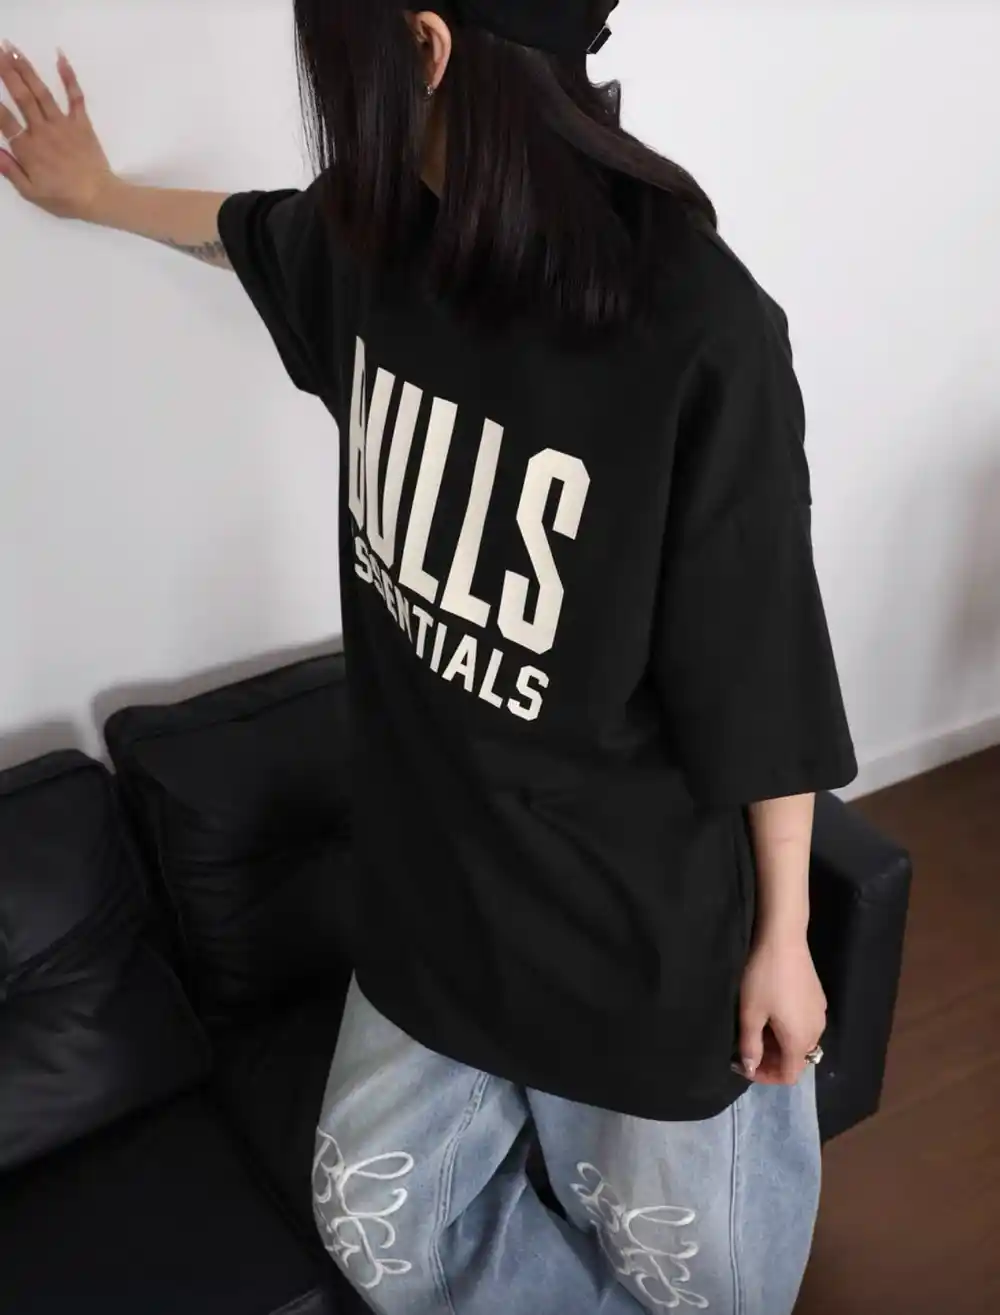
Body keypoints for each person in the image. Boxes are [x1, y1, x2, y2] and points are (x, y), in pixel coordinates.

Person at [0, 4, 859, 1311]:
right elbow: (247, 231)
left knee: (705, 1284)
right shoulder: (376, 246)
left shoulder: (695, 325)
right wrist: (99, 193)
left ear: (425, 46)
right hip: (435, 909)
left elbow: (761, 665)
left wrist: (784, 933)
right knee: (376, 1216)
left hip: (636, 953)